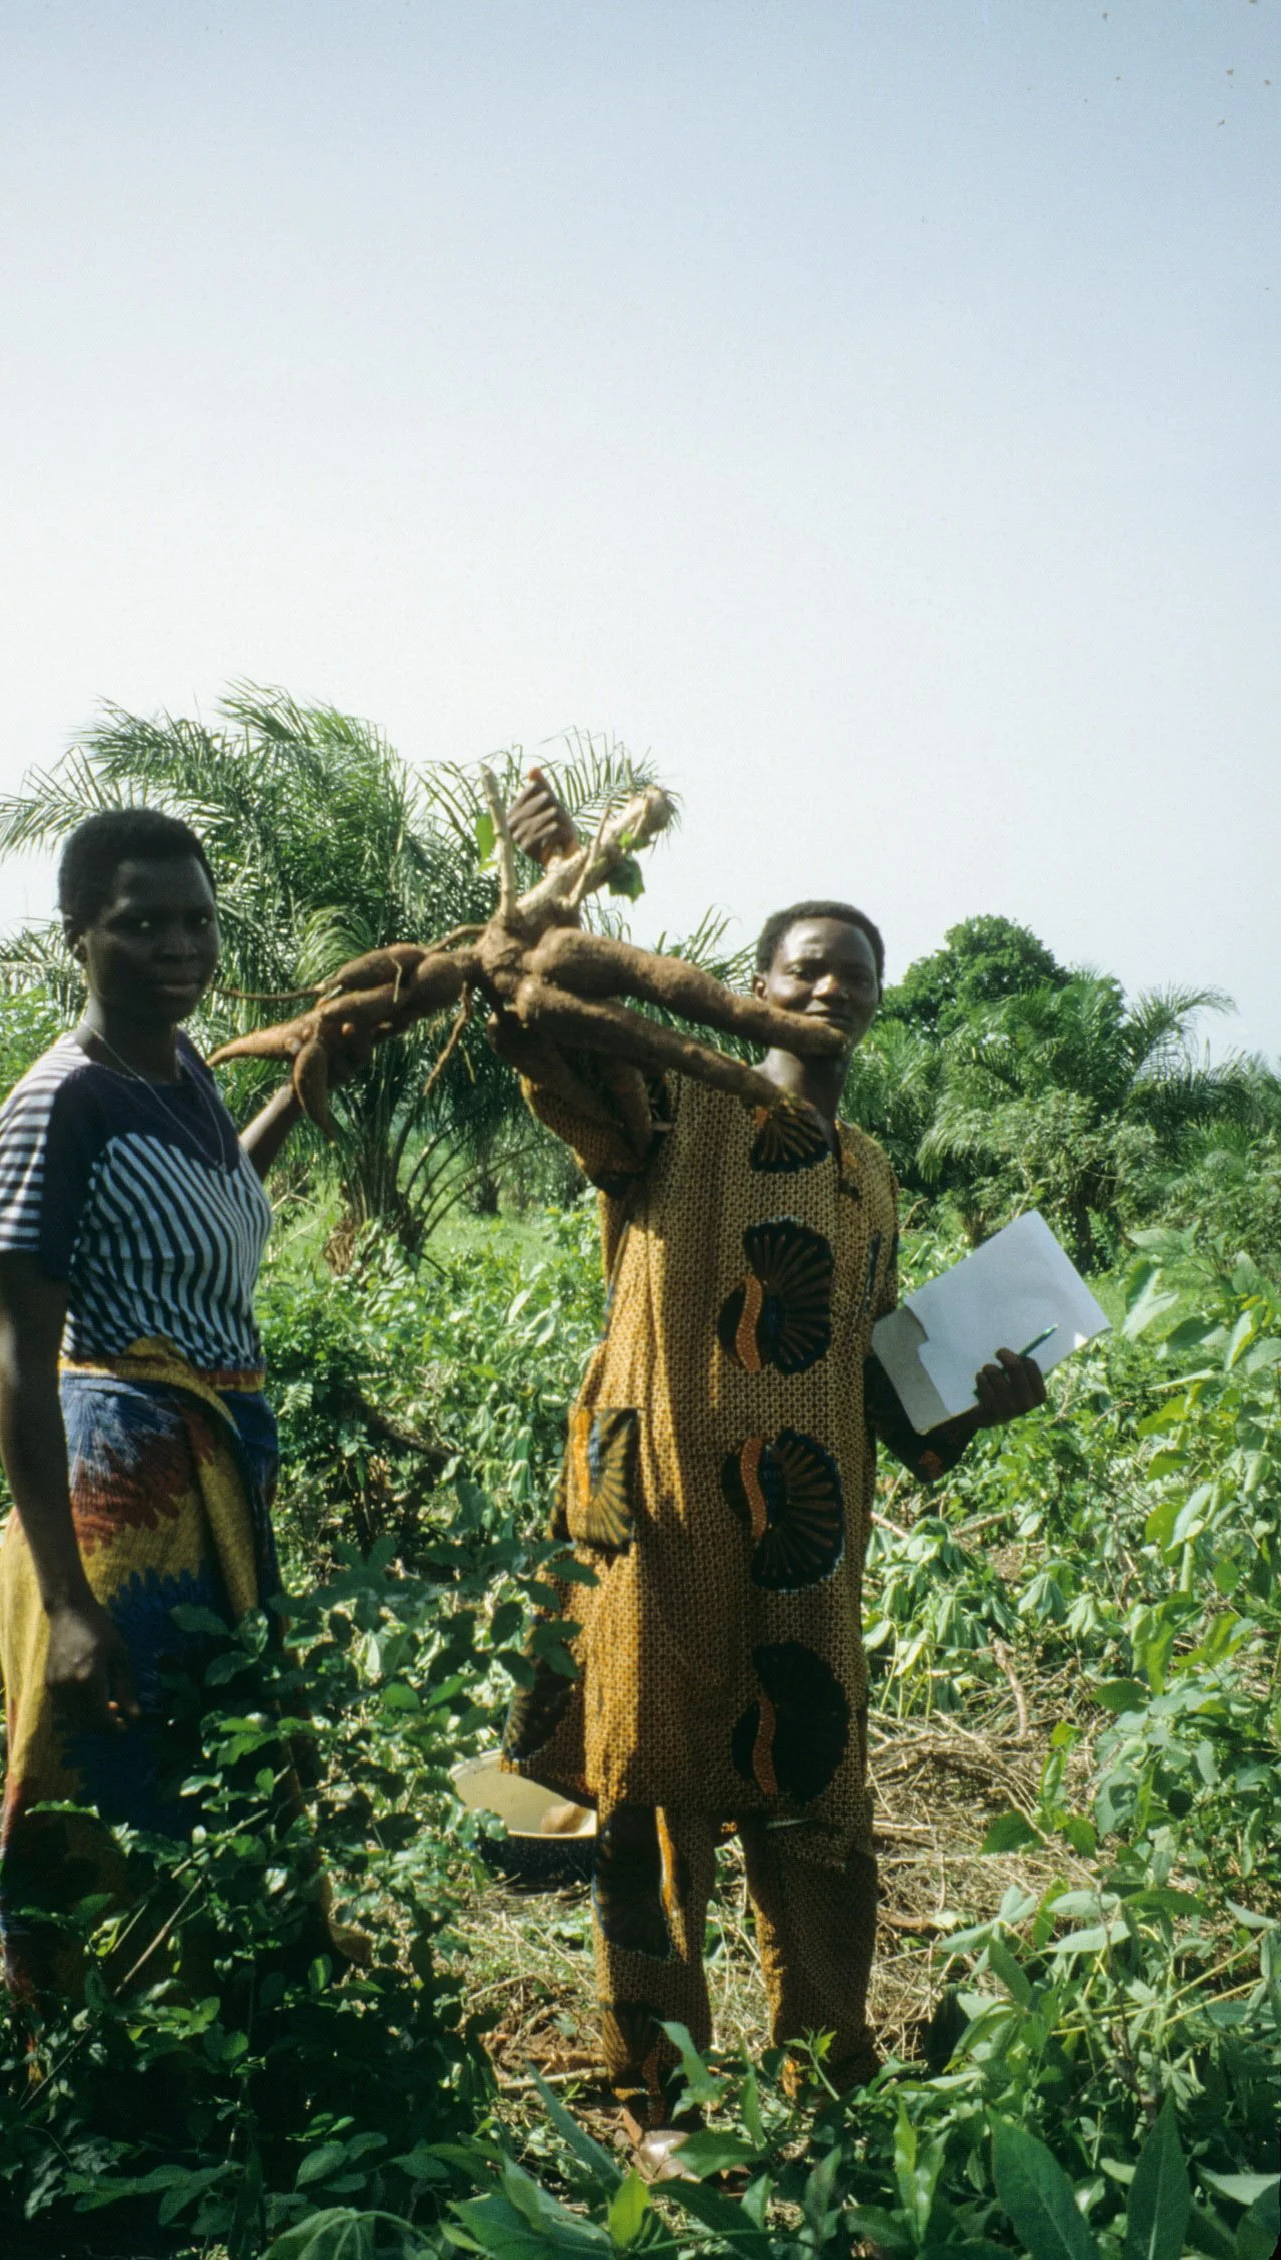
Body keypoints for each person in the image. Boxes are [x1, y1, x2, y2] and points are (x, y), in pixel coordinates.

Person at [497, 773, 1047, 2165]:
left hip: (805, 1544)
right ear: (752, 983)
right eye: (805, 968)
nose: (829, 991)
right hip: (665, 1518)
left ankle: (827, 2081)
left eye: (853, 975)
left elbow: (870, 1376)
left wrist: (981, 1407)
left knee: (813, 1794)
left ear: (874, 999)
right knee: (650, 1793)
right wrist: (546, 893)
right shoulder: (674, 1113)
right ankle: (659, 2102)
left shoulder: (868, 1168)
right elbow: (559, 1040)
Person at [0, 807, 366, 1998]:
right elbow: (16, 1360)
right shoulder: (61, 1103)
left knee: (220, 1758)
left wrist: (300, 1092)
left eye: (195, 920)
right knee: (117, 1783)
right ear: (76, 937)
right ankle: (100, 2076)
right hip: (114, 1491)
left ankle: (227, 2047)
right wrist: (71, 1601)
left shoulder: (185, 1069)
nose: (177, 947)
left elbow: (217, 1194)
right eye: (140, 924)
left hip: (210, 1467)